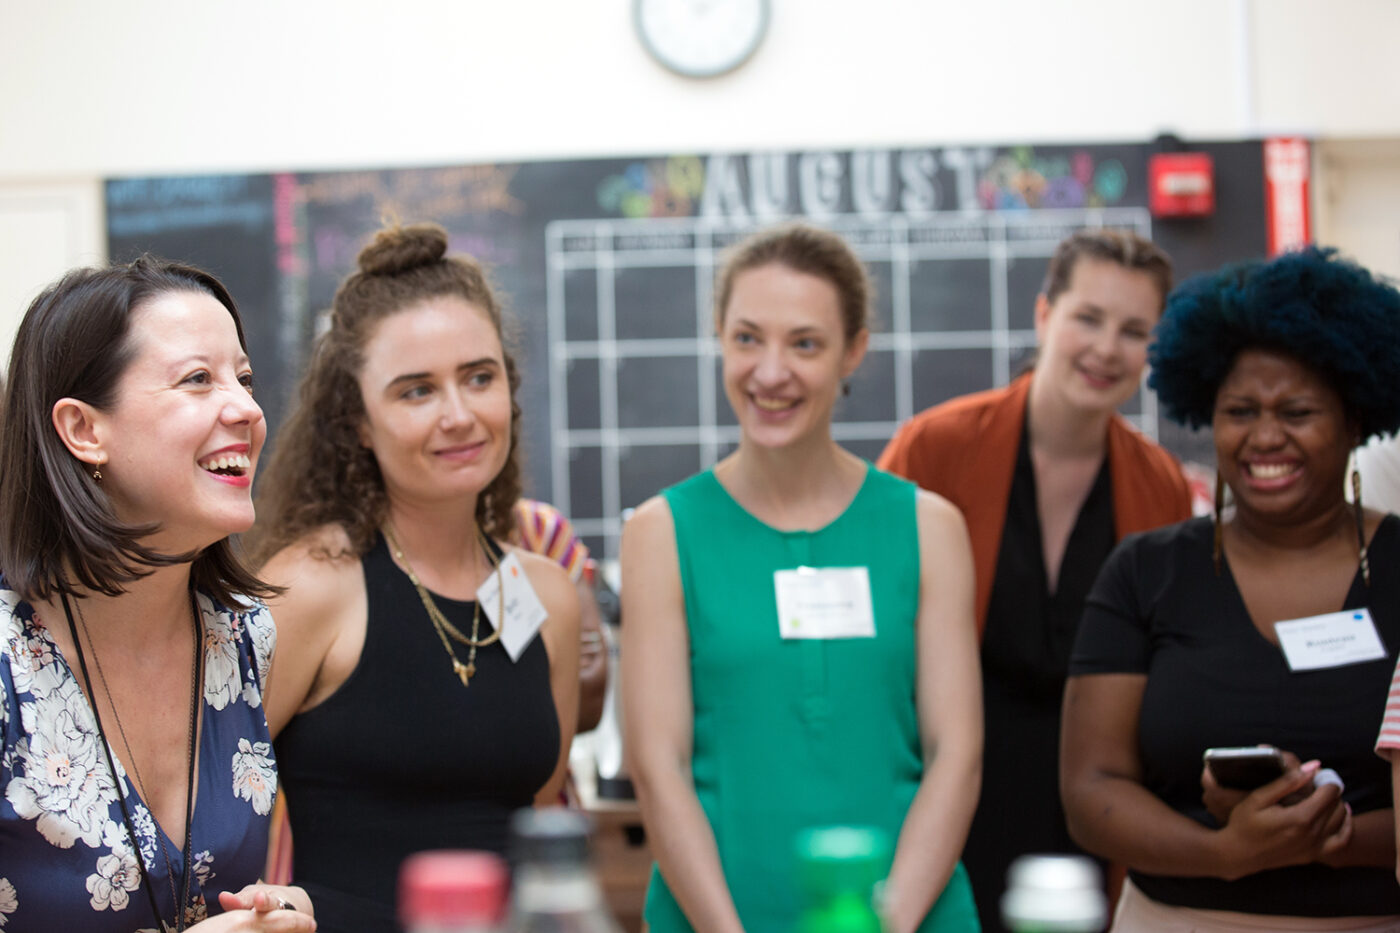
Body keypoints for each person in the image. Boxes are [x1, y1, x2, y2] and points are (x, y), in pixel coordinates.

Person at [623, 223, 982, 933]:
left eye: (805, 343)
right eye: (747, 337)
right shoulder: (662, 532)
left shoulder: (929, 527)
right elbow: (657, 768)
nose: (770, 371)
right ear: (719, 338)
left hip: (907, 918)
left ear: (854, 351)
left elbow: (957, 754)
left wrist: (885, 923)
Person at [246, 223, 579, 933]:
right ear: (358, 422)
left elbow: (535, 806)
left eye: (478, 377)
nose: (459, 415)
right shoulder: (313, 585)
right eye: (416, 390)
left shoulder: (544, 594)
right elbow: (203, 806)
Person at [1062, 246, 1400, 930]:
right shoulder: (1145, 571)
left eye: (1298, 411)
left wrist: (1334, 837)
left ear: (1355, 419)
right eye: (1240, 410)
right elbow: (1089, 787)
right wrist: (1226, 853)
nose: (1265, 436)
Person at [878, 229, 1191, 929]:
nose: (1107, 348)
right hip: (950, 794)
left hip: (1089, 812)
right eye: (1088, 317)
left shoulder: (1160, 483)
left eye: (1133, 330)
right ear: (1045, 315)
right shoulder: (936, 447)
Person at [0, 259, 314, 931]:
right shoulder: (5, 664)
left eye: (245, 376)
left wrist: (281, 908)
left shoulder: (243, 636)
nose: (248, 408)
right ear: (85, 430)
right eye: (198, 379)